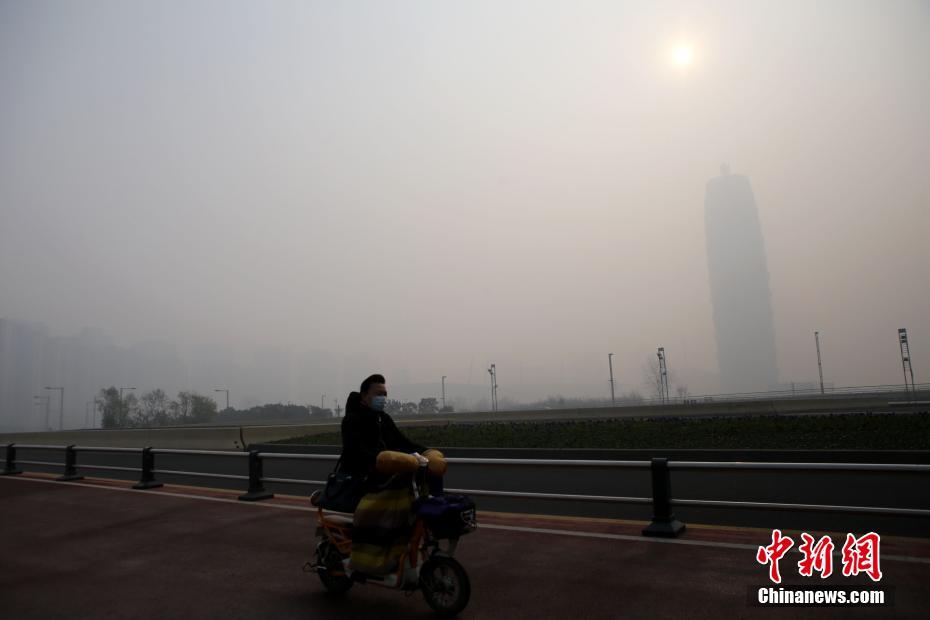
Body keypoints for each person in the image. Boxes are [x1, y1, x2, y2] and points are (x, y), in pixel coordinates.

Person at [340, 374, 446, 576]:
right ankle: (370, 557)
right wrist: (382, 460)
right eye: (378, 394)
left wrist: (426, 453)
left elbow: (403, 443)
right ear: (364, 396)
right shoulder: (352, 420)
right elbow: (357, 452)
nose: (383, 398)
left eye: (385, 394)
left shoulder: (383, 418)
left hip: (385, 473)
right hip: (363, 476)